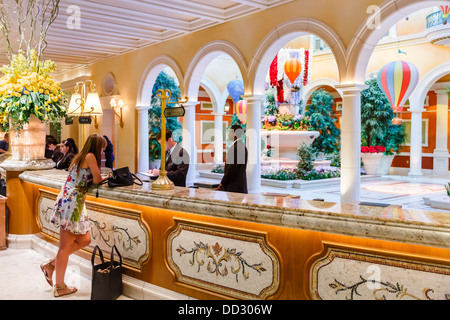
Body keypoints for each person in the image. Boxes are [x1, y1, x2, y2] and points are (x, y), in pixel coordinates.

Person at [40, 134, 108, 297]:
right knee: (64, 248)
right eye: (103, 148)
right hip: (72, 204)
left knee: (85, 240)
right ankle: (60, 286)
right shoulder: (91, 156)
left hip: (72, 201)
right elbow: (97, 179)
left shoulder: (81, 156)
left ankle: (51, 265)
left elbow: (83, 179)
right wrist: (107, 177)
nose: (103, 151)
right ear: (97, 147)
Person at [218, 124, 248, 194]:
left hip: (234, 187)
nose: (228, 134)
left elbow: (232, 168)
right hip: (239, 186)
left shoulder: (235, 148)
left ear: (234, 133)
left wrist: (223, 183)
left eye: (230, 132)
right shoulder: (242, 146)